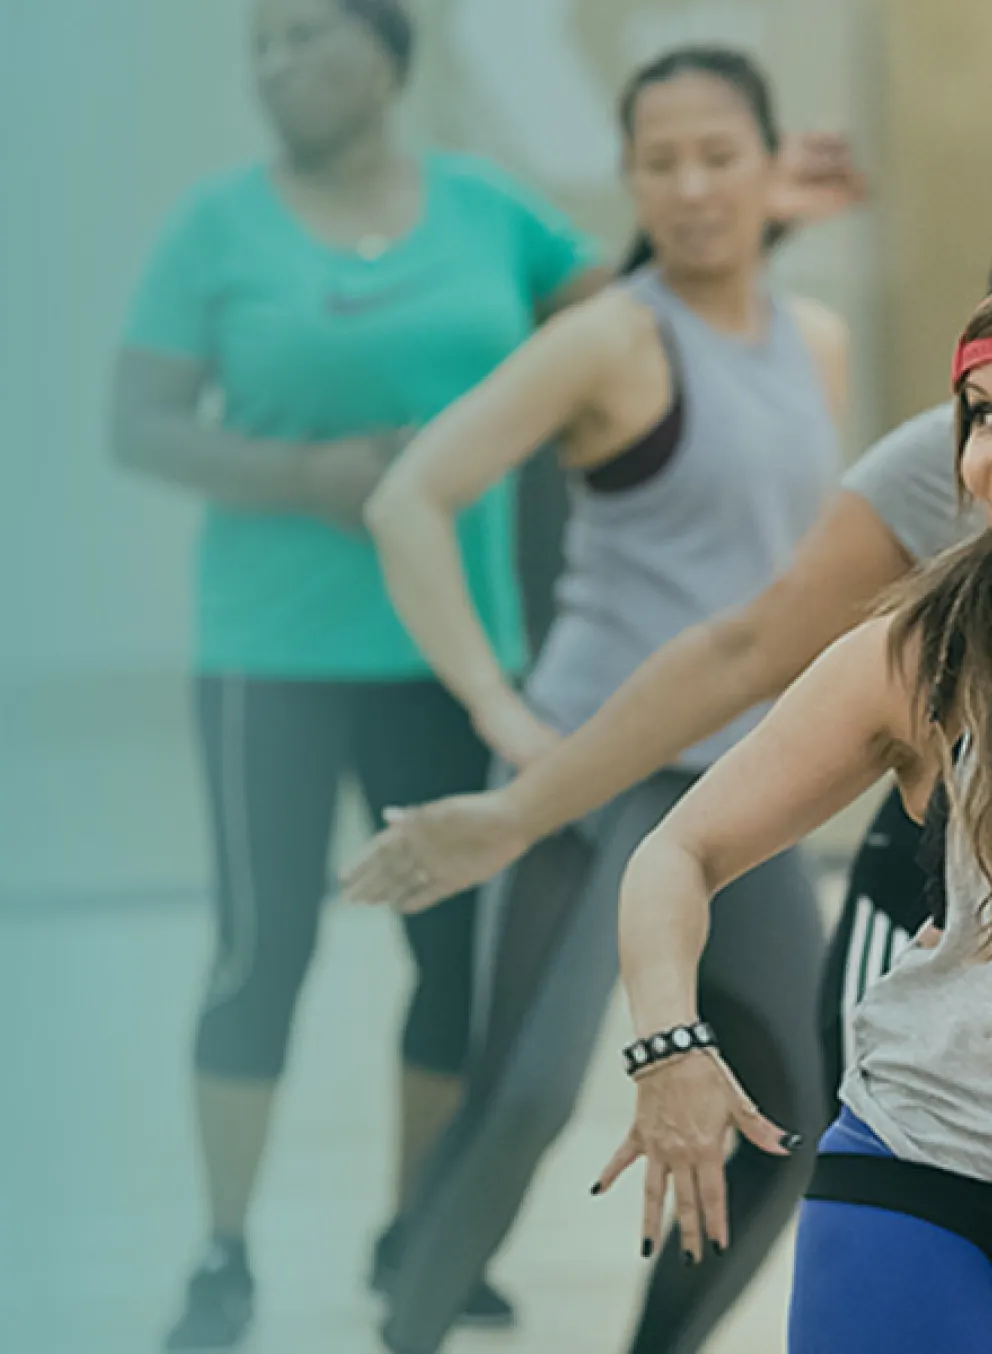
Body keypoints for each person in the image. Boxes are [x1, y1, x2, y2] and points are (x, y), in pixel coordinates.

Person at [110, 0, 614, 1345]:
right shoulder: (218, 226)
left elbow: (623, 345)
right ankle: (224, 1252)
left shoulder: (497, 214)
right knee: (257, 951)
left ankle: (416, 1236)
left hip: (455, 653)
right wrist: (303, 477)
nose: (274, 63)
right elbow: (138, 421)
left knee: (453, 956)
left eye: (301, 35)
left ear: (386, 57)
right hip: (269, 657)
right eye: (257, 45)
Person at [360, 46, 847, 1354]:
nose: (689, 186)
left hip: (743, 779)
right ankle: (403, 1329)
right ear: (631, 178)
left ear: (768, 163)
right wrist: (496, 706)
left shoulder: (818, 344)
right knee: (521, 1096)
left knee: (791, 1101)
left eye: (717, 154)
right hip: (598, 763)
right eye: (658, 161)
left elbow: (806, 583)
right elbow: (409, 496)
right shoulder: (609, 335)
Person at [596, 301, 992, 1353]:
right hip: (921, 1172)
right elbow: (675, 853)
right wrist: (666, 1045)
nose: (988, 453)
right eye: (979, 415)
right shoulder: (918, 656)